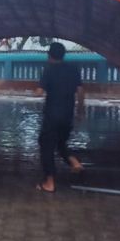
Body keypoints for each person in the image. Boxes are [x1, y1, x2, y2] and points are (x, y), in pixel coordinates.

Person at [36, 42, 84, 193]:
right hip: (67, 114)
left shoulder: (49, 70)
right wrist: (81, 110)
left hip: (52, 114)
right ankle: (73, 161)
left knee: (46, 145)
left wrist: (36, 90)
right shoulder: (73, 69)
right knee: (61, 142)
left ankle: (49, 183)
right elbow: (81, 91)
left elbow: (39, 92)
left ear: (49, 55)